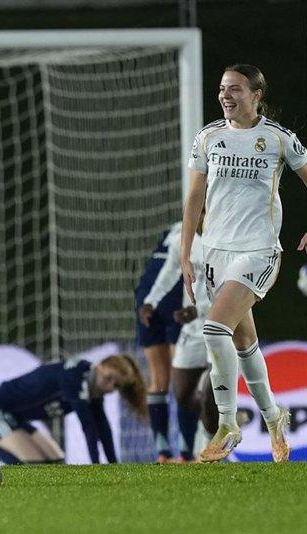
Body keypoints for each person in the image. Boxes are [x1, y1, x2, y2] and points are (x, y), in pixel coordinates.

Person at [182, 64, 307, 463]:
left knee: (214, 328)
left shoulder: (278, 139)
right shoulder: (208, 137)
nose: (226, 95)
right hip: (216, 253)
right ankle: (273, 418)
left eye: (235, 88)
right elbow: (194, 198)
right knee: (243, 342)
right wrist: (186, 253)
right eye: (223, 88)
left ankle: (227, 423)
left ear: (256, 95)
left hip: (258, 251)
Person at [0, 354, 147, 465]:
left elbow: (102, 426)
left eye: (116, 386)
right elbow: (88, 426)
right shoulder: (75, 378)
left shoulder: (92, 386)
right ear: (98, 366)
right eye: (108, 378)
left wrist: (113, 465)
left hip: (14, 417)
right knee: (32, 465)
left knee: (57, 462)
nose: (109, 387)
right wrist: (96, 466)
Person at [141, 211, 209, 462]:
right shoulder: (184, 239)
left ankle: (208, 444)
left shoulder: (226, 240)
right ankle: (177, 450)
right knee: (180, 391)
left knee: (211, 388)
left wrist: (199, 310)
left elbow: (231, 290)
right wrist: (150, 301)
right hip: (189, 327)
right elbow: (170, 270)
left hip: (216, 326)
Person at [135, 222, 184, 462]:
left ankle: (162, 451)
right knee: (185, 378)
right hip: (175, 291)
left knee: (159, 380)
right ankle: (188, 451)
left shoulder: (172, 230)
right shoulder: (207, 225)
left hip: (147, 292)